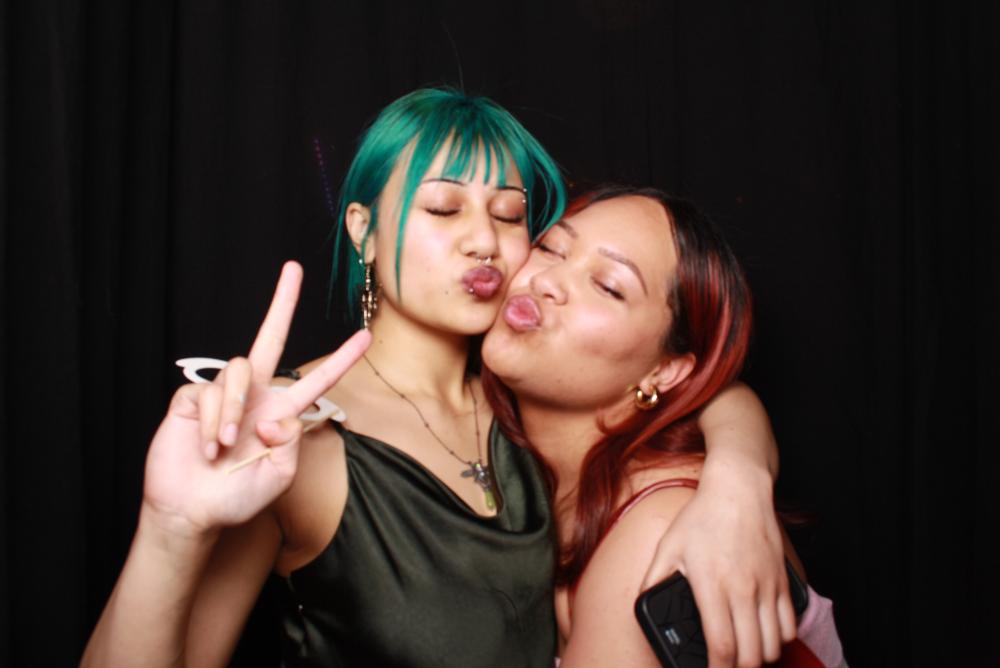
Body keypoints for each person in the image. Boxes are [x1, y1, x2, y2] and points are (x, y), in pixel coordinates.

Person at [82, 90, 792, 667]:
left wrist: (739, 478)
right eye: (444, 208)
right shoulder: (284, 437)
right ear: (362, 230)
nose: (484, 240)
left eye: (511, 216)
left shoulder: (532, 392)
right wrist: (170, 531)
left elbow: (709, 389)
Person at [481, 186, 847, 667]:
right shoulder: (480, 435)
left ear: (666, 371)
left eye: (608, 286)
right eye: (551, 248)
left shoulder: (661, 532)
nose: (549, 280)